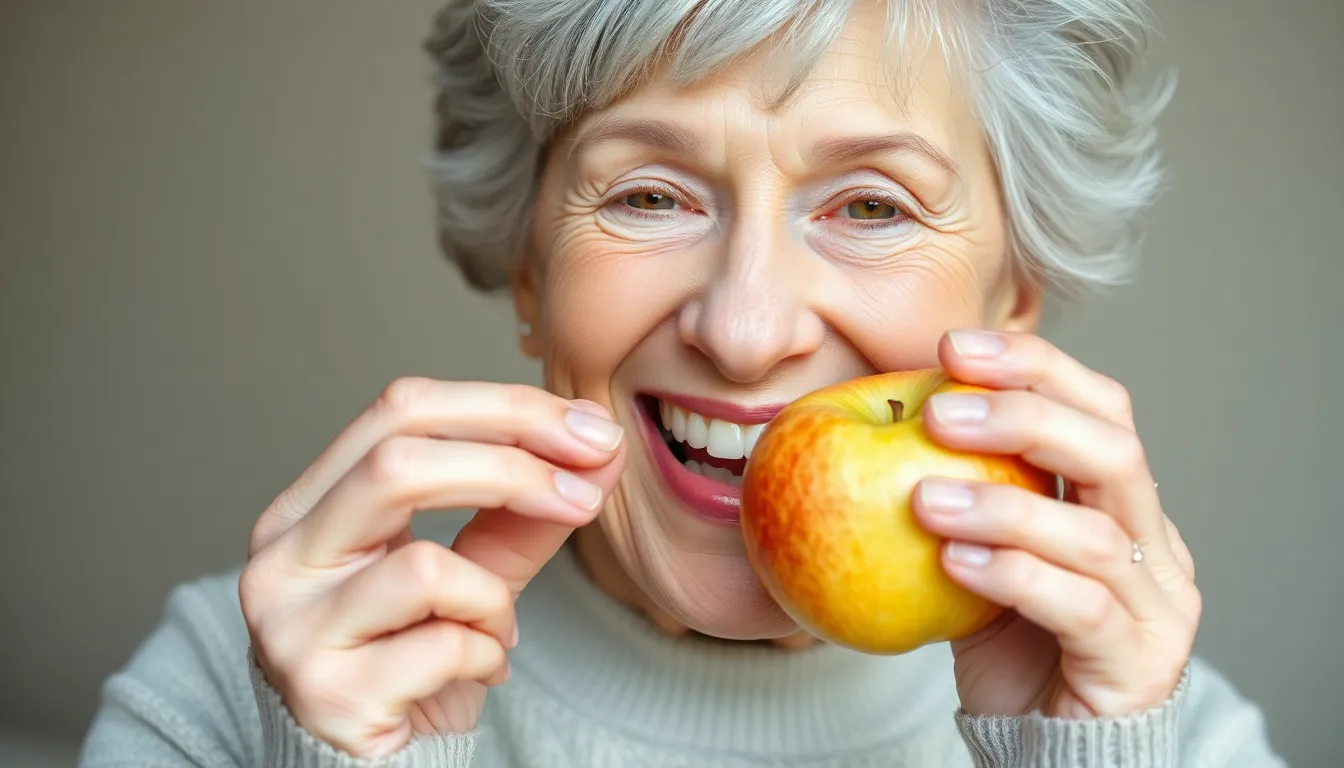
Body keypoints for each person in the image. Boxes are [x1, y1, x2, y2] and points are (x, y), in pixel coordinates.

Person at [80, 0, 1286, 765]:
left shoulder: (1173, 734)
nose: (747, 329)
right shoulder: (231, 688)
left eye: (871, 205)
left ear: (1011, 295)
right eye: (649, 195)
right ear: (528, 268)